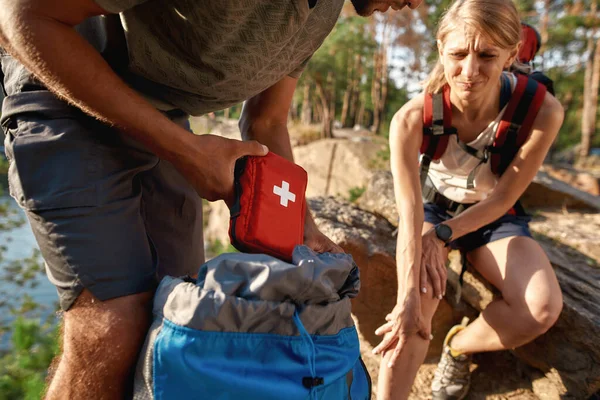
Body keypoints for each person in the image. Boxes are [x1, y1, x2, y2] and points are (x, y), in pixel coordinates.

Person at [0, 0, 422, 398]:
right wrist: (187, 152)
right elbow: (23, 17)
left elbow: (267, 120)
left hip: (164, 118)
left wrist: (301, 226)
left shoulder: (322, 11)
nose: (418, 6)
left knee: (180, 318)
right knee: (114, 326)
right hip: (64, 89)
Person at [371, 0, 564, 399]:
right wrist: (407, 296)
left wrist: (441, 237)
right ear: (441, 49)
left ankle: (459, 346)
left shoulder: (542, 110)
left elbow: (506, 195)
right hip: (434, 205)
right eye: (458, 54)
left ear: (511, 55)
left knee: (541, 308)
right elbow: (409, 213)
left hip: (492, 211)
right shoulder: (411, 118)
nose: (469, 71)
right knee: (411, 315)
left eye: (488, 55)